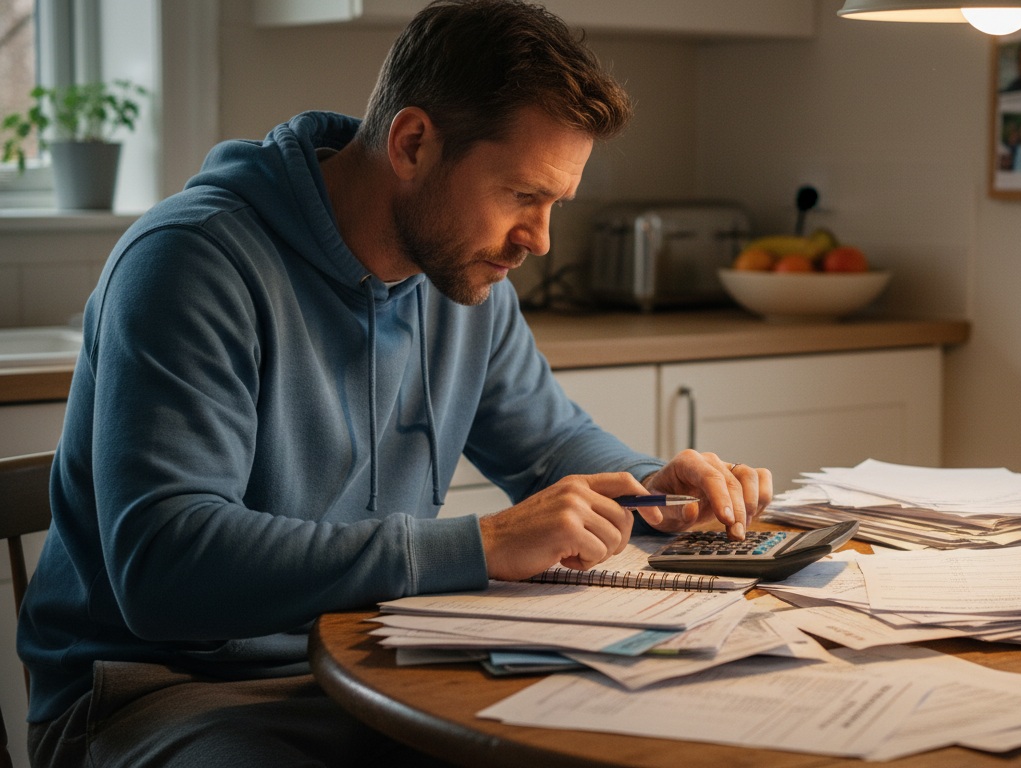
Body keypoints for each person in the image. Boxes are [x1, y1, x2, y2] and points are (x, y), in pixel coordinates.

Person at [17, 1, 772, 766]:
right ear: (412, 144)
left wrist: (652, 487)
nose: (540, 240)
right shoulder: (191, 264)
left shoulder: (463, 280)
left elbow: (549, 445)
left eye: (555, 205)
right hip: (166, 694)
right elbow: (166, 568)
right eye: (521, 195)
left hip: (377, 666)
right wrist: (479, 545)